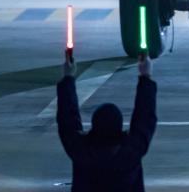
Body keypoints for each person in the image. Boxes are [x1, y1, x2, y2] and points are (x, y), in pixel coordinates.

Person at [57, 52, 157, 192]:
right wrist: (145, 76)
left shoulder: (82, 151)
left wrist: (68, 78)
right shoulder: (130, 152)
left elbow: (66, 117)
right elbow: (145, 115)